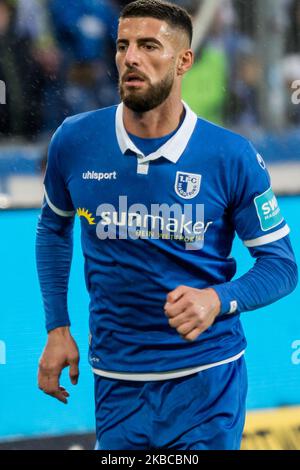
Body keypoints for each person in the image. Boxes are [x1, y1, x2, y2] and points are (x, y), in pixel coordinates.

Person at [36, 0, 298, 451]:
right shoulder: (74, 140)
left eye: (148, 45)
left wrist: (219, 299)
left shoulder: (229, 156)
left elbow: (281, 265)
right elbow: (52, 229)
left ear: (183, 61)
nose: (130, 58)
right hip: (117, 383)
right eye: (123, 45)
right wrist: (57, 328)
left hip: (208, 383)